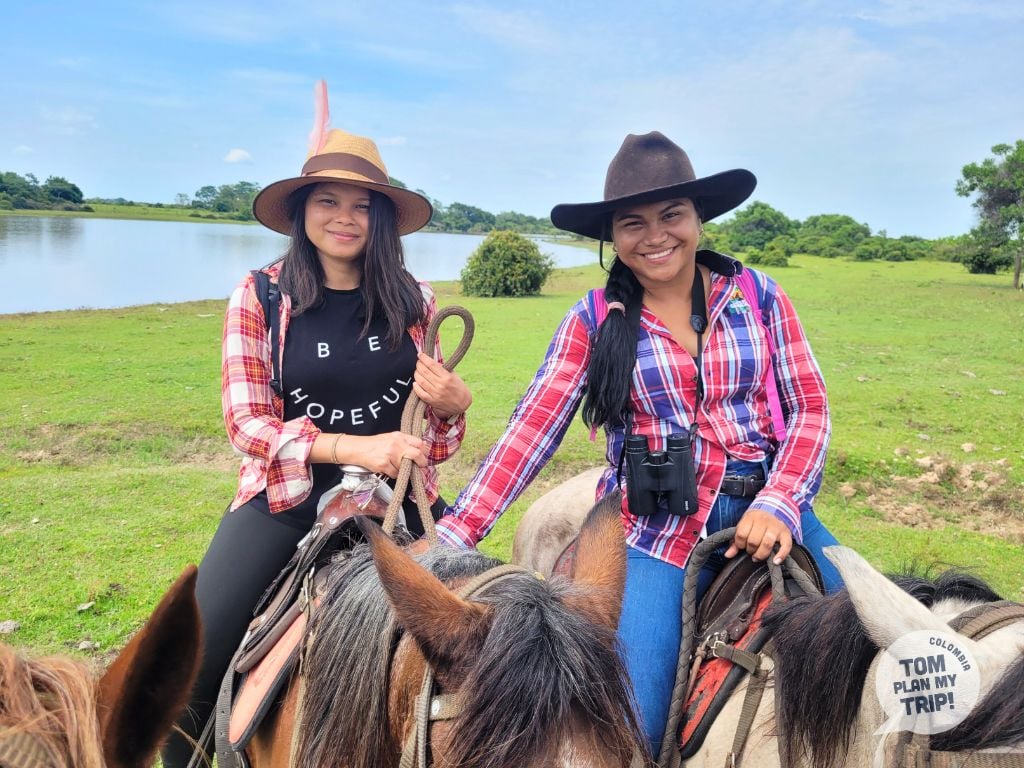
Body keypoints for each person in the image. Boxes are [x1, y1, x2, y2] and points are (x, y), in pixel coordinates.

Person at [433, 131, 842, 756]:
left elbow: (809, 409)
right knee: (635, 728)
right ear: (612, 237)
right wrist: (453, 536)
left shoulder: (759, 297)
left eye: (671, 215)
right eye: (633, 223)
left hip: (772, 510)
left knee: (884, 640)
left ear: (698, 218)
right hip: (656, 532)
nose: (655, 236)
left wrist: (782, 501)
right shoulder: (593, 319)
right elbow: (533, 431)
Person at [162, 84, 471, 766]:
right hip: (284, 503)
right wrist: (355, 445)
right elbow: (246, 425)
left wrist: (452, 404)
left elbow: (433, 441)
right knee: (191, 670)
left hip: (396, 505)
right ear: (301, 211)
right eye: (329, 201)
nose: (345, 217)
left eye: (362, 206)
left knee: (489, 640)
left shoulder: (414, 299)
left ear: (381, 220)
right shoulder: (262, 294)